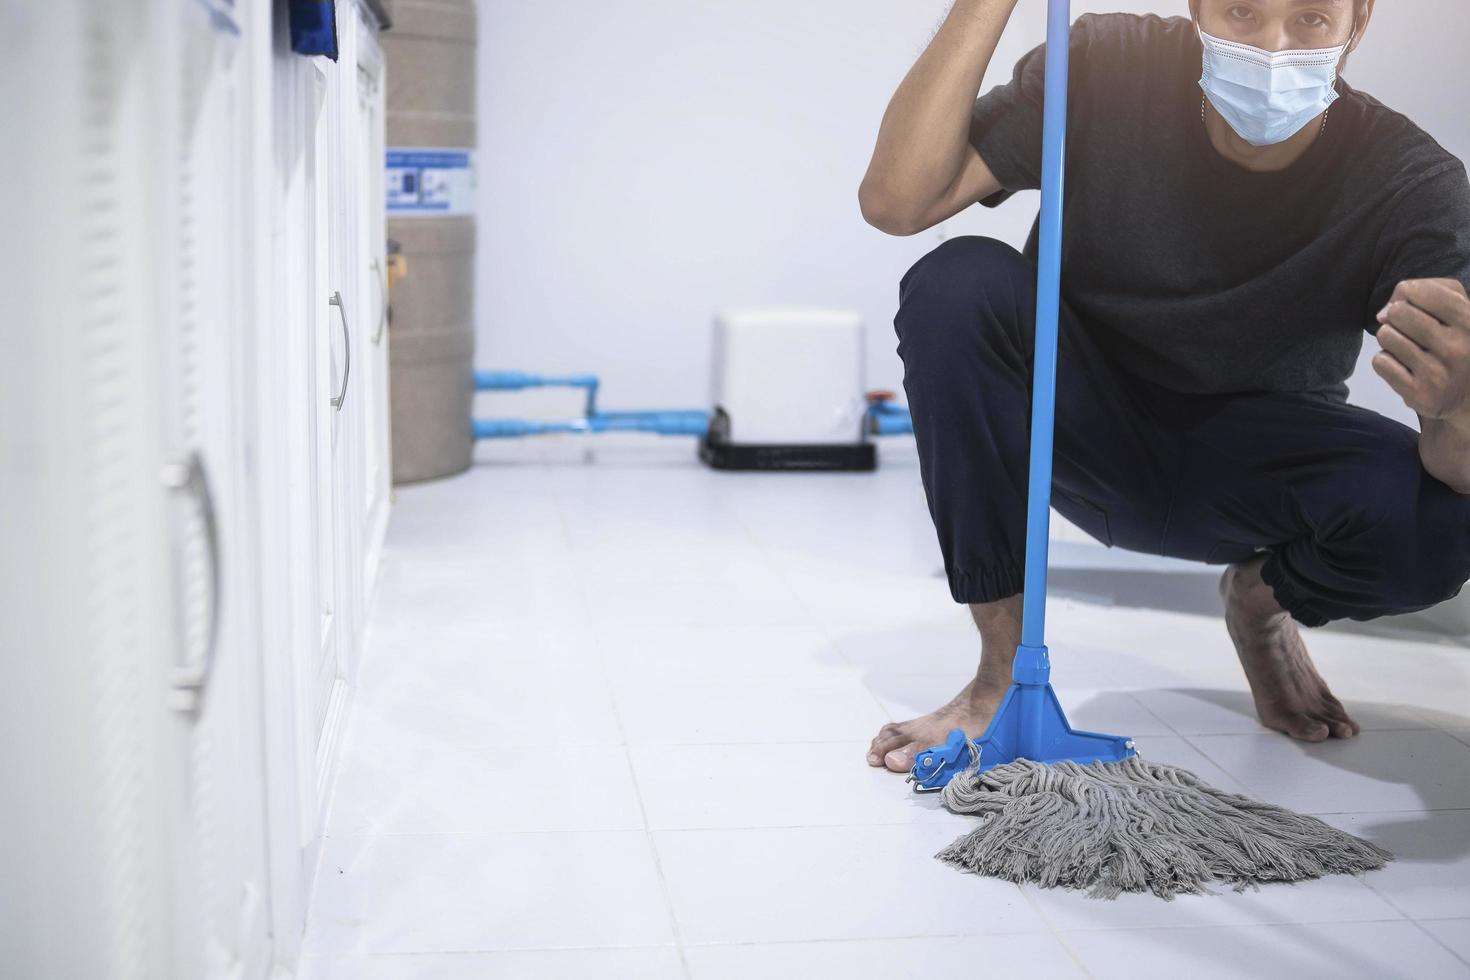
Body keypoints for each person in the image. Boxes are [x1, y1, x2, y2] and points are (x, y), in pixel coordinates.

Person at [858, 0, 1470, 773]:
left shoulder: (1412, 182)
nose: (1272, 49)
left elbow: (1459, 468)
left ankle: (1259, 604)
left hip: (1256, 465)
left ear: (1360, 22)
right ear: (1196, 5)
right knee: (958, 281)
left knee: (1442, 521)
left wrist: (1461, 405)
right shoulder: (1109, 65)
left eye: (1311, 20)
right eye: (1242, 11)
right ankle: (1000, 678)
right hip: (1082, 424)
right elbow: (896, 201)